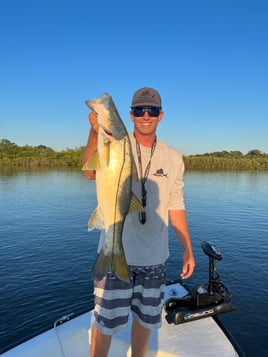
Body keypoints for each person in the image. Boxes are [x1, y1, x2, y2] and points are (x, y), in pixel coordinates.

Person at [83, 87, 195, 357]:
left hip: (155, 258)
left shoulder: (174, 157)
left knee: (145, 322)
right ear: (131, 116)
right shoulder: (117, 142)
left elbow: (175, 204)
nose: (146, 115)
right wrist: (97, 131)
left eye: (152, 110)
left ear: (161, 115)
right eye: (140, 110)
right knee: (105, 322)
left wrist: (187, 248)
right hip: (115, 251)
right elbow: (89, 172)